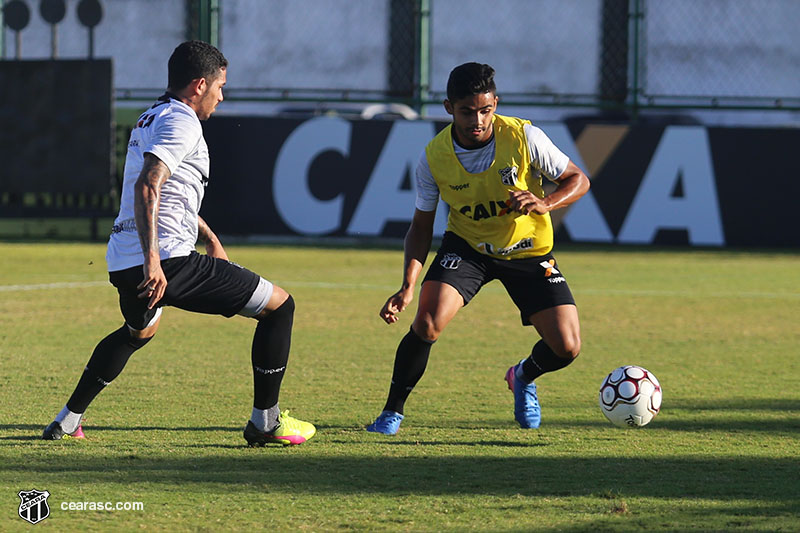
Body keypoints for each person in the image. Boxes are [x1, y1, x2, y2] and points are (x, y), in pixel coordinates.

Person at [42, 40, 315, 446]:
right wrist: (156, 262)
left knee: (138, 333)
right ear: (200, 85)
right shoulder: (183, 122)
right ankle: (266, 422)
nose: (222, 97)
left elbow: (169, 194)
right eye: (220, 87)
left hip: (123, 259)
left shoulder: (150, 117)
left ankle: (66, 420)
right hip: (167, 261)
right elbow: (149, 185)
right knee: (280, 307)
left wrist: (209, 237)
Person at [366, 62, 590, 435]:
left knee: (567, 347)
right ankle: (392, 413)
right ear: (448, 107)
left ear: (495, 104)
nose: (478, 120)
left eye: (486, 110)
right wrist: (408, 285)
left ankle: (522, 376)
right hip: (468, 249)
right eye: (467, 111)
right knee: (426, 322)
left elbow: (577, 179)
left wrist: (545, 203)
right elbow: (421, 227)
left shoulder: (524, 138)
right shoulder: (434, 157)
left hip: (528, 252)